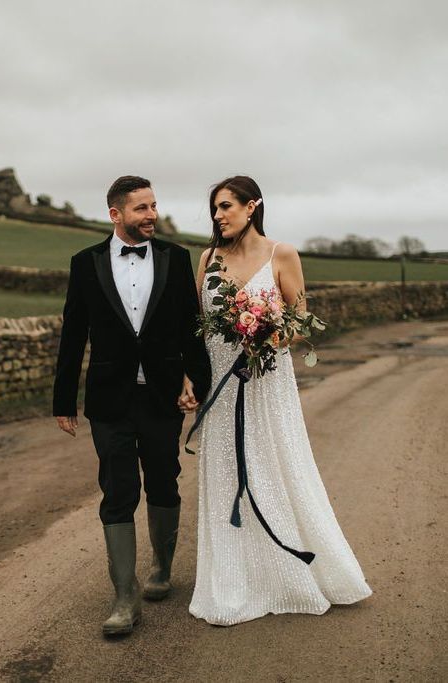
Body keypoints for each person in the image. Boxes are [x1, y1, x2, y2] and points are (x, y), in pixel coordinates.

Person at [186, 175, 372, 626]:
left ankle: (293, 570)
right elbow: (193, 326)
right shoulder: (208, 258)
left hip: (267, 381)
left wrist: (263, 339)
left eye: (227, 206)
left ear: (253, 207)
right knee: (227, 471)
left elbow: (301, 319)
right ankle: (234, 577)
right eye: (214, 209)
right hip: (221, 382)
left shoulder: (282, 254)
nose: (218, 216)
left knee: (274, 464)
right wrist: (190, 378)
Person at [53, 175, 211, 636]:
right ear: (115, 214)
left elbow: (191, 327)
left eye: (154, 206)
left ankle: (161, 570)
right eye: (141, 208)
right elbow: (73, 334)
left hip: (162, 395)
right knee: (118, 488)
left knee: (164, 479)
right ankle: (125, 598)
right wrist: (64, 399)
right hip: (110, 398)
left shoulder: (175, 259)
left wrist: (196, 381)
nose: (152, 215)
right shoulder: (85, 264)